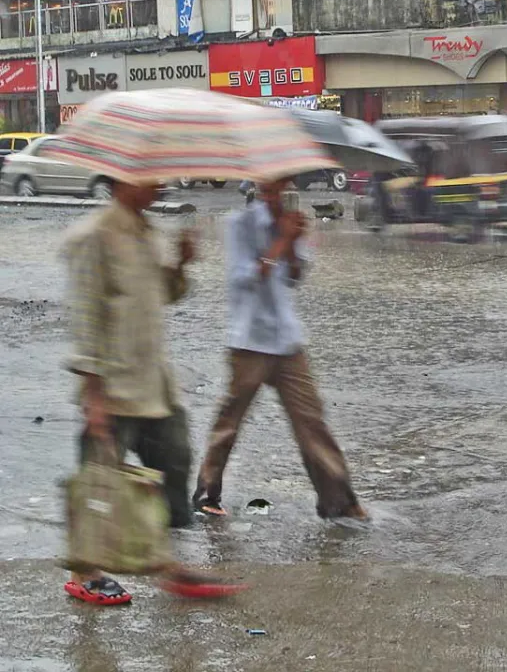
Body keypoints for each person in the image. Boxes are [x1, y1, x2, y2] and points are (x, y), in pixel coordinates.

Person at [62, 180, 241, 605]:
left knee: (174, 465)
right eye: (148, 177)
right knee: (100, 479)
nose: (158, 184)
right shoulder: (95, 237)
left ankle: (168, 564)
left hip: (154, 384)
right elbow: (86, 319)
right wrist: (95, 396)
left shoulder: (146, 232)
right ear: (121, 181)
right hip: (112, 386)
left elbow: (164, 295)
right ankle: (85, 572)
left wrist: (181, 264)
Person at [193, 178, 366, 520]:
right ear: (258, 188)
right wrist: (280, 243)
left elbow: (295, 277)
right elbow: (244, 278)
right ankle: (206, 493)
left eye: (281, 188)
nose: (276, 195)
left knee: (311, 421)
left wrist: (293, 243)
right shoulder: (239, 224)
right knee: (229, 421)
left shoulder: (291, 221)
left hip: (286, 341)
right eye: (269, 189)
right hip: (249, 341)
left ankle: (339, 502)